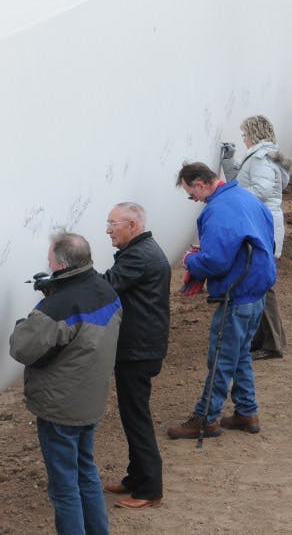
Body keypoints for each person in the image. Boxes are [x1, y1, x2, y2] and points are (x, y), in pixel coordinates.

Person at [10, 232, 121, 534]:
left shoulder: (58, 307)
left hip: (61, 410)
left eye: (49, 261)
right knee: (86, 472)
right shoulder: (105, 289)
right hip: (90, 401)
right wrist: (55, 292)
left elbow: (22, 347)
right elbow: (81, 338)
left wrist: (29, 319)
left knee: (64, 488)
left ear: (59, 264)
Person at [167, 162, 277, 439]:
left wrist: (191, 260)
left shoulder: (218, 210)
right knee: (239, 353)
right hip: (256, 291)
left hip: (237, 295)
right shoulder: (245, 197)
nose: (194, 200)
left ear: (201, 185)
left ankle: (206, 417)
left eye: (192, 195)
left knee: (220, 357)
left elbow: (215, 261)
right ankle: (246, 412)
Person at [100, 203, 170, 510]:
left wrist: (70, 278)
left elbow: (105, 288)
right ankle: (135, 478)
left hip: (137, 350)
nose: (108, 230)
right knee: (132, 415)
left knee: (136, 418)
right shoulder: (142, 250)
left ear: (133, 225)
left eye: (113, 224)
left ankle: (149, 490)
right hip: (142, 346)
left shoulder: (139, 256)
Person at [221, 115, 292, 360]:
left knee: (263, 284)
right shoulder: (265, 156)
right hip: (265, 223)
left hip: (261, 225)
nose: (243, 139)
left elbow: (261, 189)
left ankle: (273, 342)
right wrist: (228, 161)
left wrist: (234, 200)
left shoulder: (260, 158)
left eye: (244, 135)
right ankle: (262, 338)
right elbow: (245, 180)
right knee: (260, 283)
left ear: (253, 135)